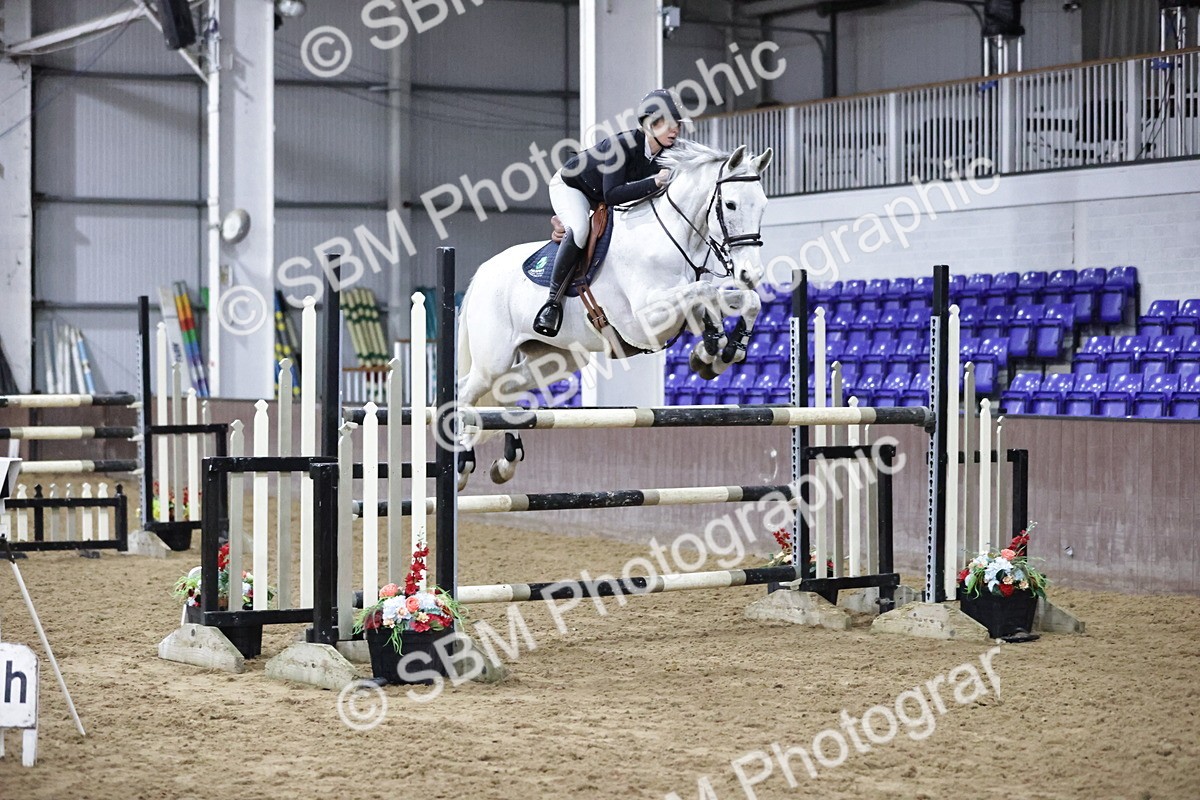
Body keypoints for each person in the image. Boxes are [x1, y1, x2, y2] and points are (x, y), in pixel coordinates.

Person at [532, 88, 689, 337]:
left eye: (678, 124)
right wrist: (654, 182)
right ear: (650, 124)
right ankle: (552, 303)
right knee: (580, 229)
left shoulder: (667, 153)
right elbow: (612, 195)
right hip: (573, 187)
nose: (675, 130)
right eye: (669, 124)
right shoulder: (621, 145)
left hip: (600, 194)